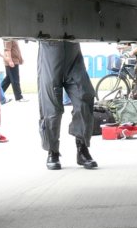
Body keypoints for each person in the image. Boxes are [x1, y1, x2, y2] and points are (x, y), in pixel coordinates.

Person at [37, 39, 97, 170]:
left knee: (84, 98)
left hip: (73, 52)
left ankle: (82, 148)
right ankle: (52, 151)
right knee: (51, 106)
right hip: (50, 50)